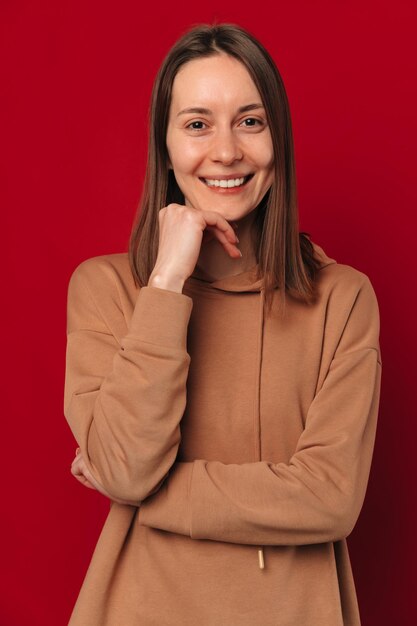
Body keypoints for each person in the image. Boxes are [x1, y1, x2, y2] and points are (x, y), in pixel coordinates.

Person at [64, 22, 382, 626]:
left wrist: (145, 495)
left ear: (277, 138)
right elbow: (127, 464)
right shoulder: (104, 289)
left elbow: (330, 499)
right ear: (165, 145)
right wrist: (165, 284)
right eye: (197, 124)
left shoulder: (343, 298)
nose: (227, 151)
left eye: (250, 121)